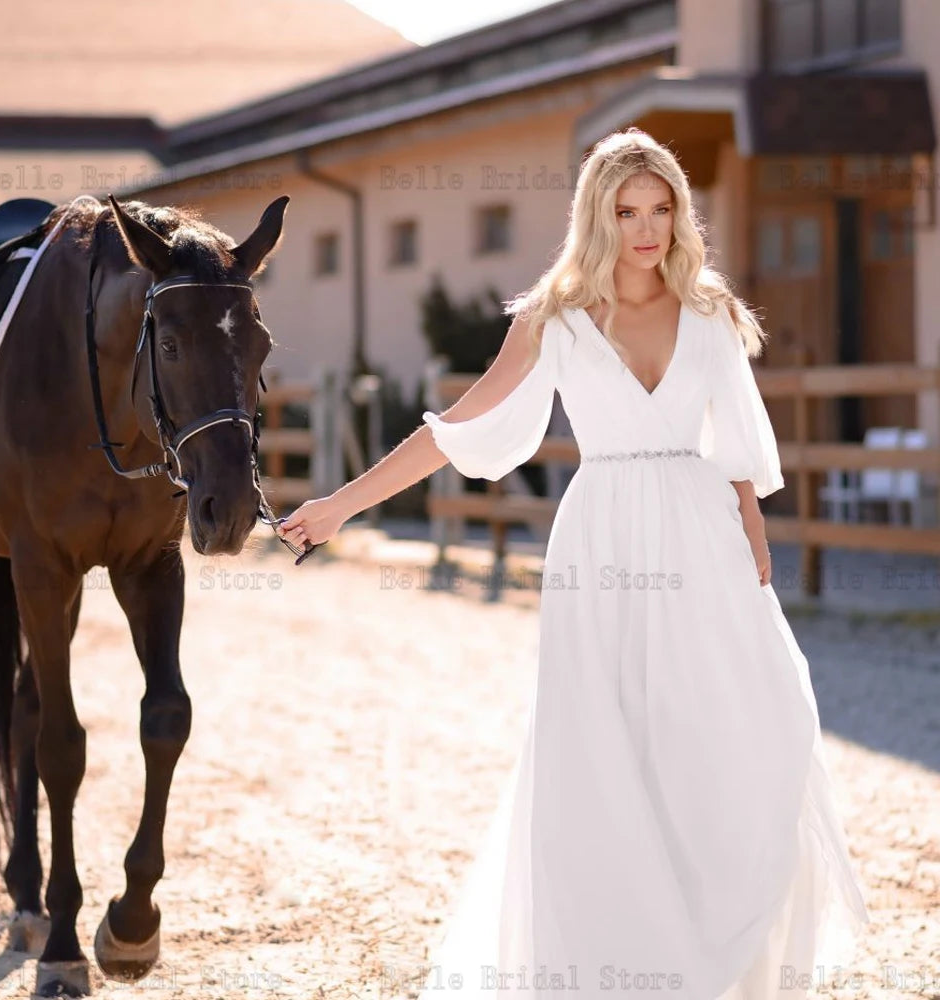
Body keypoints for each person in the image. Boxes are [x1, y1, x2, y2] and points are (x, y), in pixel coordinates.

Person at [274, 128, 870, 999]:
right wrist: (338, 506)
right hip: (604, 546)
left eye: (662, 209)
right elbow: (461, 428)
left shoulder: (709, 311)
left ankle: (723, 961)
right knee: (605, 753)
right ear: (597, 215)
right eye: (627, 210)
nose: (646, 228)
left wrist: (751, 536)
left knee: (754, 731)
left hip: (704, 543)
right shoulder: (552, 319)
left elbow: (740, 448)